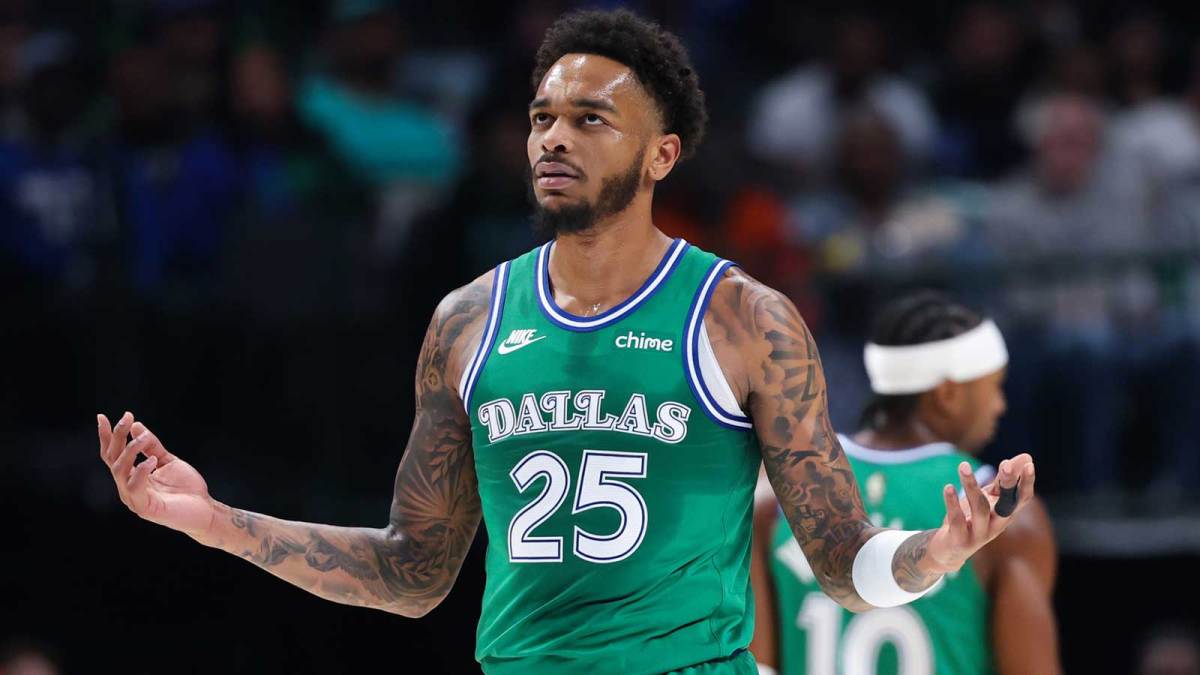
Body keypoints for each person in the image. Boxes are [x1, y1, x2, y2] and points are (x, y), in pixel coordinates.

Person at [96, 10, 1036, 674]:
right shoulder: (467, 320)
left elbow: (842, 559)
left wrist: (937, 554)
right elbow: (412, 572)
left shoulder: (743, 317)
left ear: (661, 154)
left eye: (591, 119)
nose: (554, 137)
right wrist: (214, 521)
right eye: (544, 116)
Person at [750, 292, 1058, 675]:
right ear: (947, 394)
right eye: (994, 387)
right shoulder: (1004, 516)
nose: (1000, 406)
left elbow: (755, 665)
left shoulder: (778, 497)